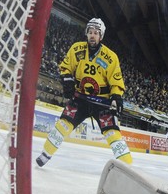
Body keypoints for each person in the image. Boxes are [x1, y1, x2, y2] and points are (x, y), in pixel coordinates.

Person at [36, 18, 132, 167]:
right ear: (86, 33)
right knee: (62, 125)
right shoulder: (76, 49)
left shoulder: (110, 57)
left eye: (96, 33)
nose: (92, 36)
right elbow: (65, 67)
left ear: (101, 36)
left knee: (112, 133)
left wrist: (116, 97)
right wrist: (67, 80)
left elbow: (116, 81)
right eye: (90, 32)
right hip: (80, 99)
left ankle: (128, 167)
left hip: (102, 103)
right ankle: (46, 153)